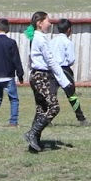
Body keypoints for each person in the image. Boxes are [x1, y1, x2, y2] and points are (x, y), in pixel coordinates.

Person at [25, 10, 71, 153]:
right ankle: (32, 133)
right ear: (40, 24)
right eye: (48, 21)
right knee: (54, 107)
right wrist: (64, 81)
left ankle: (34, 144)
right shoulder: (40, 39)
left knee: (41, 109)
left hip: (36, 76)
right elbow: (50, 61)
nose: (50, 24)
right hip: (42, 77)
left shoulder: (36, 38)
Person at [53, 18, 90, 125]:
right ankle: (81, 118)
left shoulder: (52, 41)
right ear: (69, 30)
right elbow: (71, 59)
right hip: (64, 69)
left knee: (51, 95)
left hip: (52, 69)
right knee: (72, 95)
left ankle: (46, 118)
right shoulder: (67, 42)